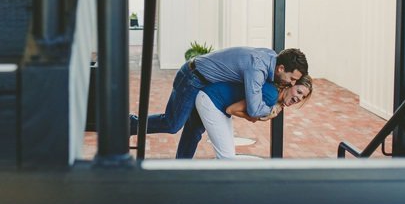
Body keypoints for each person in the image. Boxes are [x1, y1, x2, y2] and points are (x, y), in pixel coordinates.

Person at [131, 45, 309, 155]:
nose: (291, 83)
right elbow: (254, 110)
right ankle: (128, 125)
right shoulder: (258, 69)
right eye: (292, 79)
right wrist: (273, 108)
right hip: (193, 76)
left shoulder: (271, 58)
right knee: (172, 124)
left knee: (193, 132)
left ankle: (181, 168)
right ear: (281, 68)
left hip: (205, 84)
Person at [179, 74, 313, 161]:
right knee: (227, 157)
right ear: (290, 85)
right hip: (212, 100)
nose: (299, 98)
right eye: (299, 92)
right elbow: (231, 109)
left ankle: (180, 173)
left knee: (201, 139)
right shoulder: (271, 94)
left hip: (214, 99)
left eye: (303, 97)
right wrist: (256, 118)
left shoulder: (274, 94)